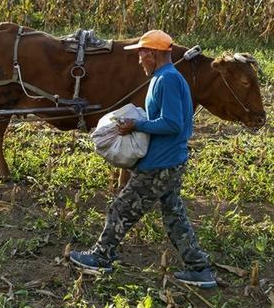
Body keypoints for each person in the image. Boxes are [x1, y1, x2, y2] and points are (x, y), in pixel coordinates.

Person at [69, 30, 217, 288]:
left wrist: (135, 125)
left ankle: (101, 256)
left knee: (121, 207)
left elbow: (172, 123)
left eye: (141, 54)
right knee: (174, 216)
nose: (139, 60)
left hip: (161, 162)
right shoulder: (166, 77)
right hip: (171, 159)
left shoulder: (167, 80)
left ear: (154, 54)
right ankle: (200, 269)